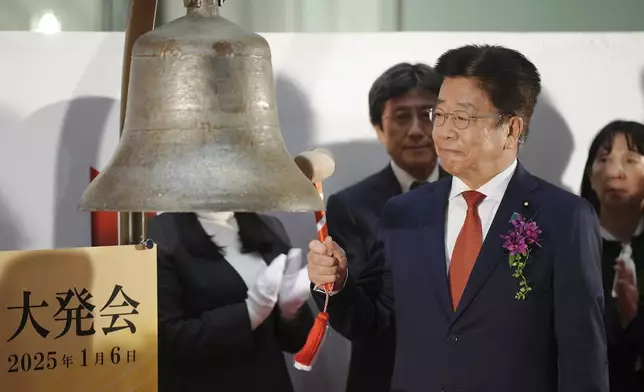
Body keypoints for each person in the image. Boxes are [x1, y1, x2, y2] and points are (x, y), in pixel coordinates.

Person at [307, 44, 608, 392]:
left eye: (462, 117)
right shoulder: (405, 212)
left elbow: (582, 355)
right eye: (441, 114)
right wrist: (339, 284)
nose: (443, 131)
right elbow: (377, 322)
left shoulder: (564, 217)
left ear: (511, 128)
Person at [324, 62, 445, 392]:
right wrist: (338, 282)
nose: (418, 130)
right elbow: (355, 321)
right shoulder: (350, 207)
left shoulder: (477, 194)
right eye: (402, 117)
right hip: (384, 378)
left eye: (430, 114)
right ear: (379, 127)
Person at [148, 211, 313, 392]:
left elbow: (295, 343)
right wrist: (251, 312)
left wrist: (290, 312)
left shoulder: (267, 225)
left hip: (270, 380)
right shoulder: (160, 234)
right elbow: (167, 339)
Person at [580, 120, 644, 392]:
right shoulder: (567, 246)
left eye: (631, 160)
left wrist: (634, 320)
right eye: (604, 159)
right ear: (590, 176)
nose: (615, 172)